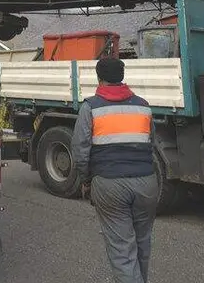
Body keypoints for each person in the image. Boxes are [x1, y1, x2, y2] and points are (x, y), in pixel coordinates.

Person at [72, 57, 158, 283]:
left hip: (110, 183)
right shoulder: (143, 106)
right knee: (142, 244)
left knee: (122, 251)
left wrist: (86, 180)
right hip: (146, 182)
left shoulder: (90, 107)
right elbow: (151, 143)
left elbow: (81, 150)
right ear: (122, 77)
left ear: (99, 78)